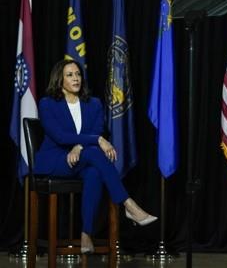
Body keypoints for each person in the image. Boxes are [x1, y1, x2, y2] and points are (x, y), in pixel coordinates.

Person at [34, 59, 157, 254]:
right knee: (94, 151)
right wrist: (97, 140)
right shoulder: (47, 104)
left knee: (94, 172)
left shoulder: (94, 104)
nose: (76, 78)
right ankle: (128, 204)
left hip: (82, 159)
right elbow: (59, 136)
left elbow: (97, 128)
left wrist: (80, 146)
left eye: (78, 74)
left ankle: (86, 233)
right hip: (55, 160)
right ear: (59, 79)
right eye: (70, 75)